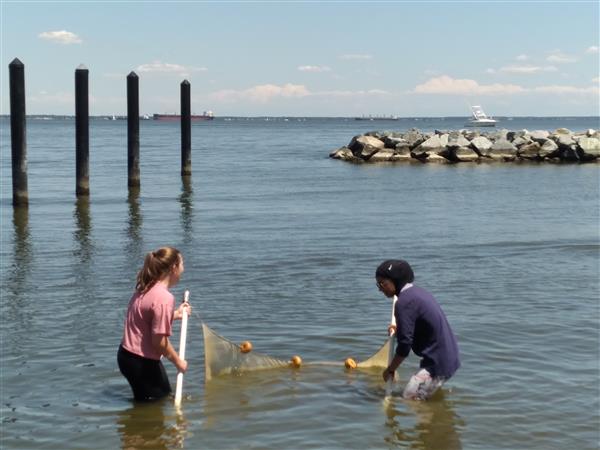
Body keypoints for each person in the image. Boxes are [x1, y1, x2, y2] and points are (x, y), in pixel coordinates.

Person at [377, 259, 460, 400]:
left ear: (395, 281)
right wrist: (398, 331)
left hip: (438, 363)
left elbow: (404, 347)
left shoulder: (404, 302)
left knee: (410, 398)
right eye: (378, 284)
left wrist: (390, 370)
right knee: (418, 398)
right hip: (447, 356)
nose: (380, 288)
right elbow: (417, 327)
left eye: (382, 283)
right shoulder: (416, 293)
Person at [117, 246, 191, 401]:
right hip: (141, 362)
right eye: (182, 264)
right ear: (174, 268)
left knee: (147, 402)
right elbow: (158, 342)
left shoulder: (146, 287)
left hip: (126, 356)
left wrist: (175, 314)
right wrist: (178, 362)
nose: (183, 269)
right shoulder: (164, 298)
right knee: (158, 402)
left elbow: (146, 319)